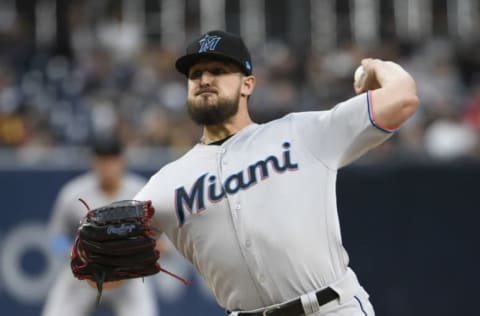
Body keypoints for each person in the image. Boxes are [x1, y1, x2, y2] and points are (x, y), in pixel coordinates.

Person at [100, 30, 419, 316]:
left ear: (247, 84)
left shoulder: (302, 133)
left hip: (330, 307)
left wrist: (377, 65)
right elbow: (110, 272)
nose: (205, 79)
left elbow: (403, 98)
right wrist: (102, 267)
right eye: (195, 73)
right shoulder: (165, 184)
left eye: (219, 70)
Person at [42, 137, 159, 316]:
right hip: (83, 276)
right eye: (102, 160)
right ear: (94, 162)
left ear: (122, 161)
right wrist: (73, 254)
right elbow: (55, 237)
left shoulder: (143, 193)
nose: (107, 166)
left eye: (112, 159)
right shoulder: (73, 193)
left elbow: (163, 240)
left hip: (129, 277)